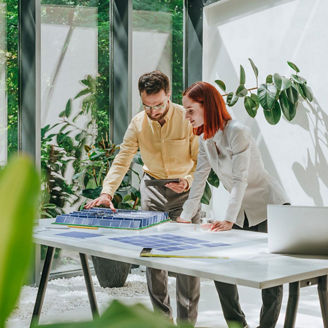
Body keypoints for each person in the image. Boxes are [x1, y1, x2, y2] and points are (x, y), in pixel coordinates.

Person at [85, 71, 200, 325]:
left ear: (168, 95)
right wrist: (107, 192)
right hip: (153, 190)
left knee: (188, 258)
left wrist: (188, 181)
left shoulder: (185, 117)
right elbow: (123, 158)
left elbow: (199, 159)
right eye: (147, 105)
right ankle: (161, 321)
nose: (153, 111)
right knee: (153, 259)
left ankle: (187, 323)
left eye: (159, 104)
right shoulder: (138, 123)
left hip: (185, 192)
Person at [177, 81, 290, 328]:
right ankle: (237, 324)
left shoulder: (237, 131)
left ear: (207, 106)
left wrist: (227, 219)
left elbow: (241, 180)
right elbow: (199, 179)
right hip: (239, 211)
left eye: (190, 110)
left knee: (270, 275)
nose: (186, 116)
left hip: (269, 206)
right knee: (221, 266)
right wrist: (186, 215)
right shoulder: (206, 138)